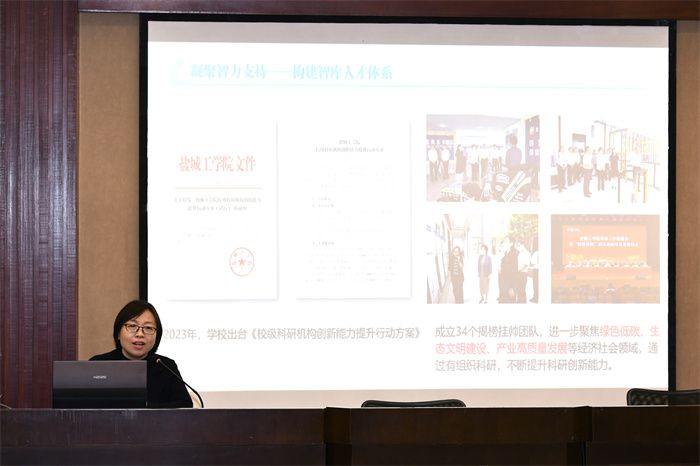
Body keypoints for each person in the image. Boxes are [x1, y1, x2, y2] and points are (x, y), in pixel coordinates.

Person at [90, 300, 194, 408]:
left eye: (148, 328)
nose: (140, 334)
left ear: (157, 336)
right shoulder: (98, 365)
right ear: (118, 333)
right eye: (132, 326)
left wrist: (144, 408)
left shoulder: (166, 366)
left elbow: (185, 406)